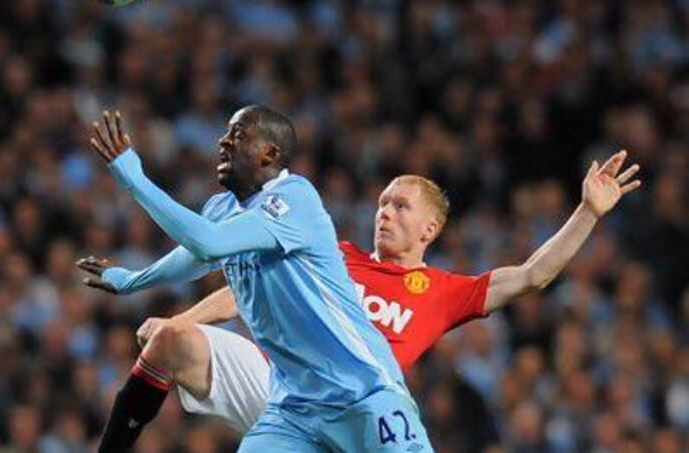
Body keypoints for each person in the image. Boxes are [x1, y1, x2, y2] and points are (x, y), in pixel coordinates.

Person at [79, 150, 641, 442]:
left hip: (359, 412)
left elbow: (533, 275)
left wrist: (588, 213)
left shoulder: (445, 292)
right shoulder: (337, 256)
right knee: (174, 340)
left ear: (430, 230)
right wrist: (178, 316)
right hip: (283, 395)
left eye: (400, 205)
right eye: (381, 203)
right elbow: (241, 288)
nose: (385, 212)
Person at [87, 107, 431, 452]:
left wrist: (134, 179)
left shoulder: (295, 199)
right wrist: (132, 281)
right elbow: (191, 259)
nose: (224, 141)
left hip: (363, 392)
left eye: (238, 135)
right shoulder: (222, 210)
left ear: (269, 152)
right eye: (226, 133)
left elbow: (207, 245)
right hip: (293, 408)